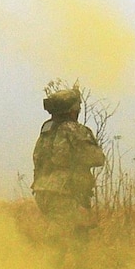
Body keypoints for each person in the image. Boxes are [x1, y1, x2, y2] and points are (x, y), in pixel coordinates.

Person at [31, 83, 106, 241]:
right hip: (65, 194)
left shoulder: (46, 131)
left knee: (79, 234)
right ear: (72, 110)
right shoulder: (74, 130)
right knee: (58, 242)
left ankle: (78, 265)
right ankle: (42, 266)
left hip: (43, 191)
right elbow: (97, 158)